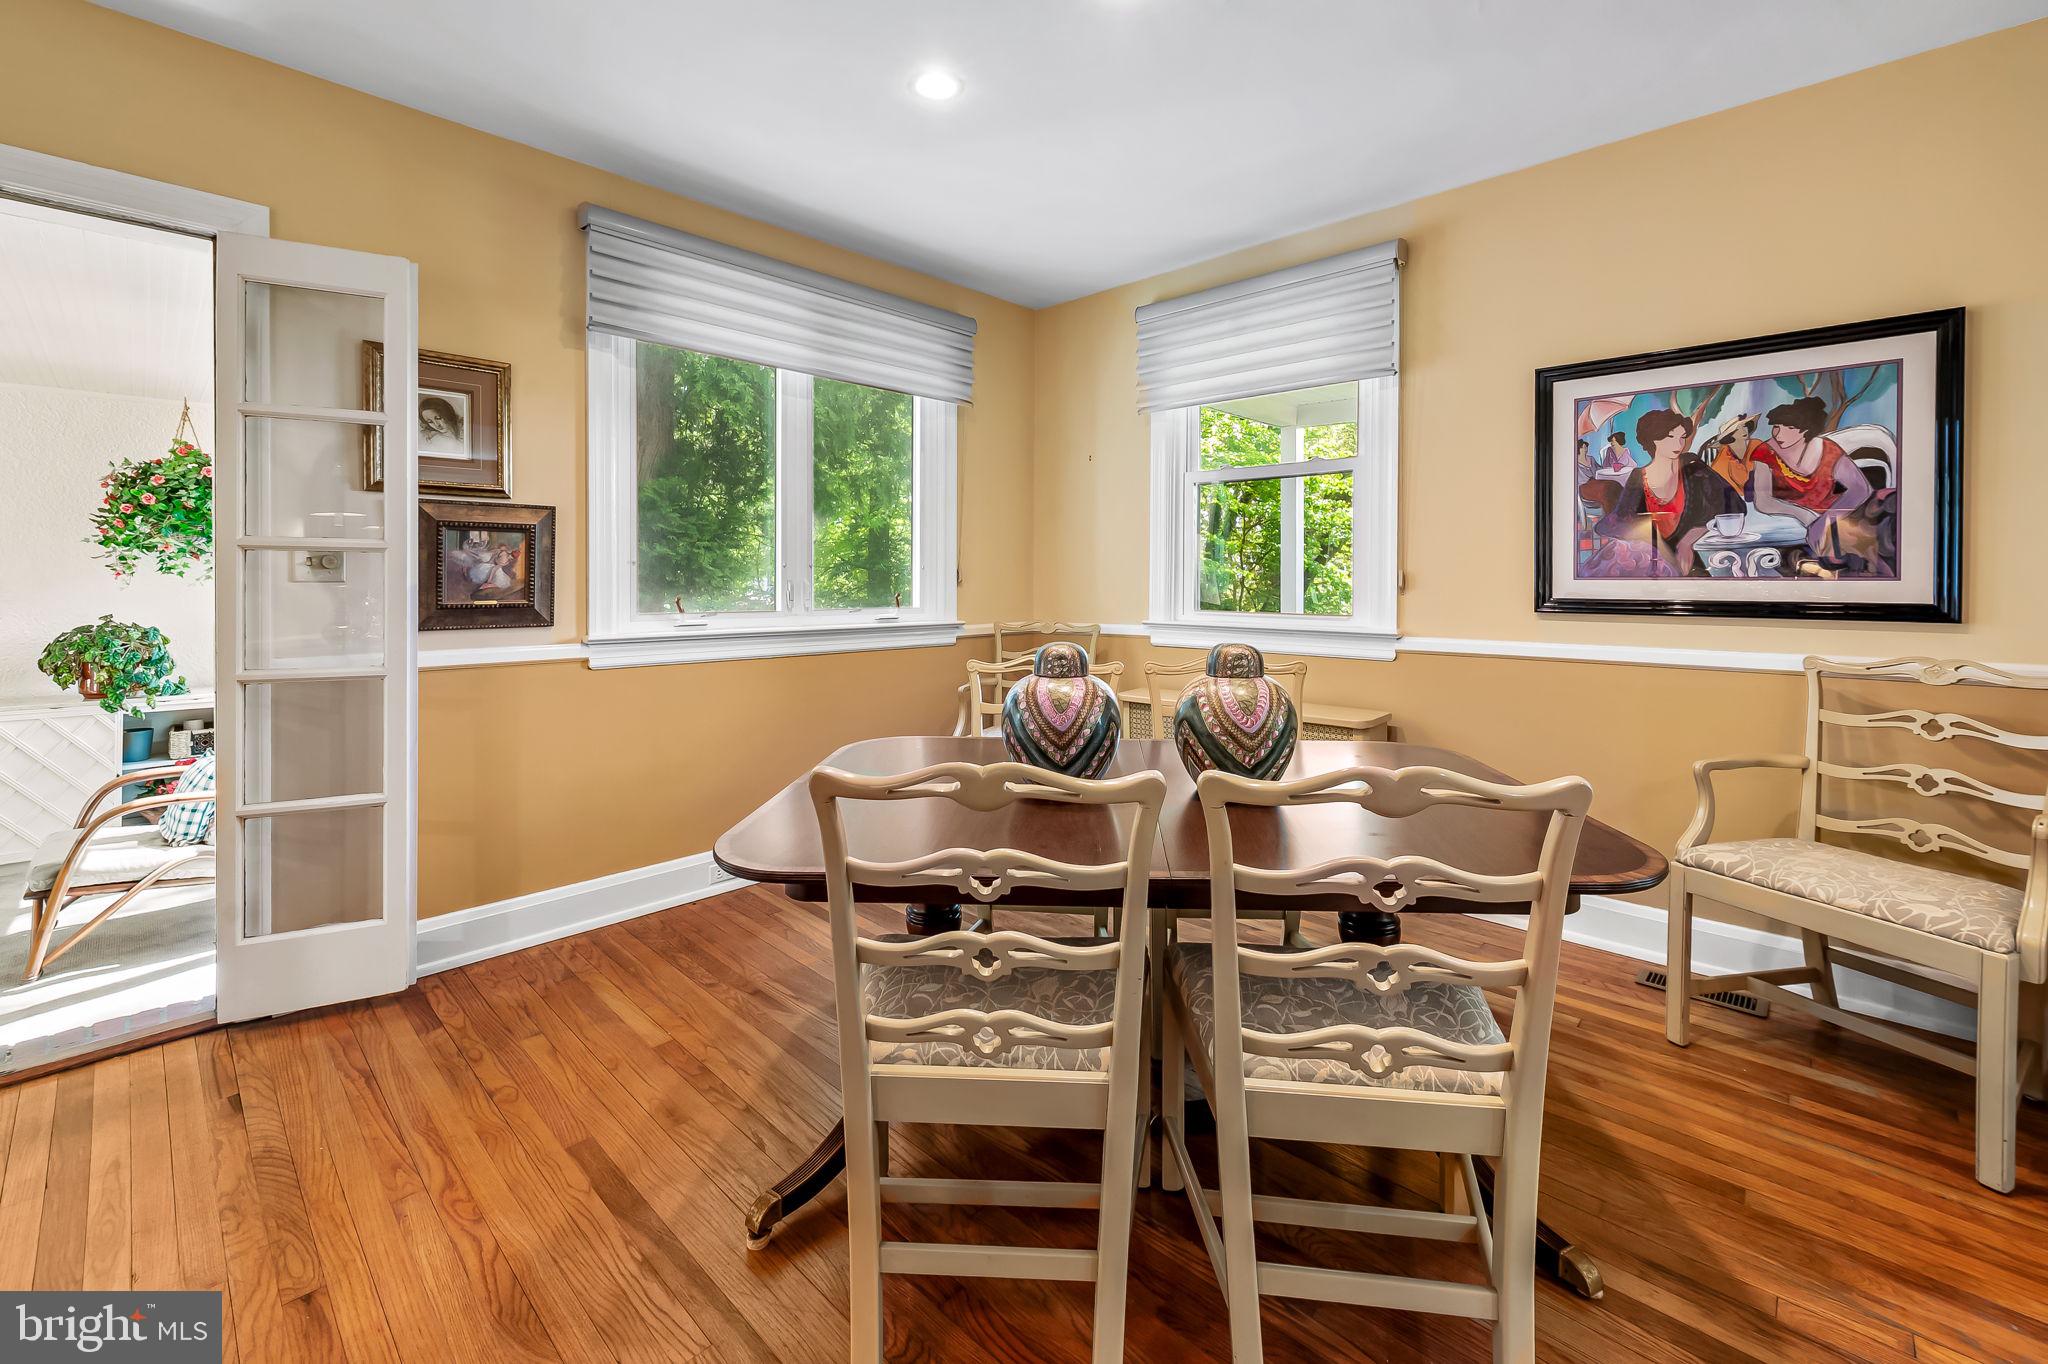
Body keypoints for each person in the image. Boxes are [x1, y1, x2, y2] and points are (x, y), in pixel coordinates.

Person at [1593, 408, 1740, 575]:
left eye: (1682, 437)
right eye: (1670, 437)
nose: (1678, 444)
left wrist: (1688, 539)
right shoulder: (1638, 477)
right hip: (1651, 561)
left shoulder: (1694, 469)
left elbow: (1734, 506)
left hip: (1693, 558)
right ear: (1653, 439)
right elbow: (1616, 522)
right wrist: (1653, 540)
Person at [1751, 395, 1873, 546]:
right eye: (1776, 427)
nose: (1778, 434)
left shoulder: (1828, 451)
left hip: (1834, 519)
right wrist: (1805, 515)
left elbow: (1861, 489)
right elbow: (1763, 501)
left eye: (1790, 428)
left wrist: (1825, 521)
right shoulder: (1764, 451)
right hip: (1787, 524)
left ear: (1806, 429)